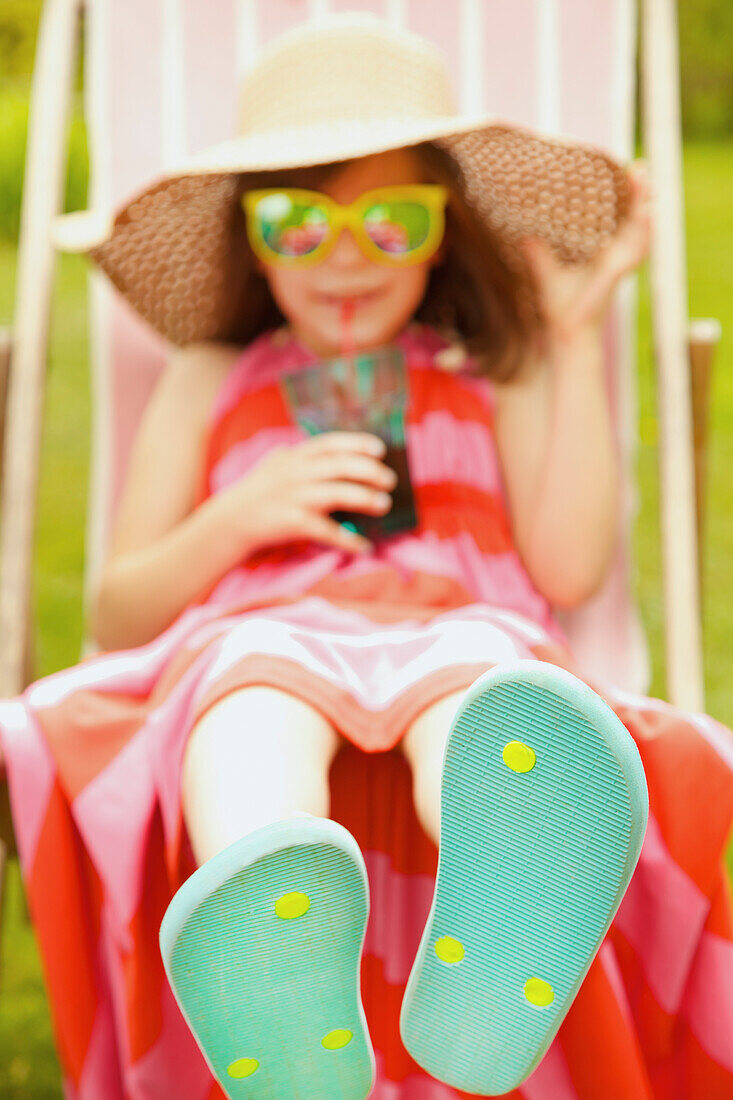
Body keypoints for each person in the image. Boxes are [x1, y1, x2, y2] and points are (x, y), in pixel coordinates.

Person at [2, 15, 732, 1100]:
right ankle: (278, 925)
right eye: (298, 223)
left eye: (390, 223)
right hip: (257, 629)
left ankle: (505, 895)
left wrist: (570, 340)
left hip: (455, 621)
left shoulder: (494, 366)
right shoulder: (214, 374)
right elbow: (118, 609)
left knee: (484, 696)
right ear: (251, 236)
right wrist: (237, 517)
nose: (345, 258)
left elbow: (571, 567)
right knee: (248, 699)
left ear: (444, 232)